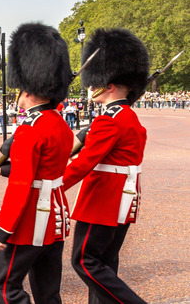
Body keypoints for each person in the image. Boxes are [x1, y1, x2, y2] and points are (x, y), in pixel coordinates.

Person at [0, 23, 74, 304]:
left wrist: (0, 229)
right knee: (48, 293)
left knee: (5, 288)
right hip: (56, 219)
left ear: (28, 90)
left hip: (30, 221)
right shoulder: (59, 124)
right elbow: (47, 166)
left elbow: (22, 184)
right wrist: (9, 168)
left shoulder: (29, 129)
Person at [63, 28, 150, 304]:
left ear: (108, 84)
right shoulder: (131, 118)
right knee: (106, 262)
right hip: (124, 202)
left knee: (86, 262)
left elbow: (83, 165)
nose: (90, 88)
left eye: (93, 83)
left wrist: (52, 186)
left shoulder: (108, 121)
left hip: (102, 202)